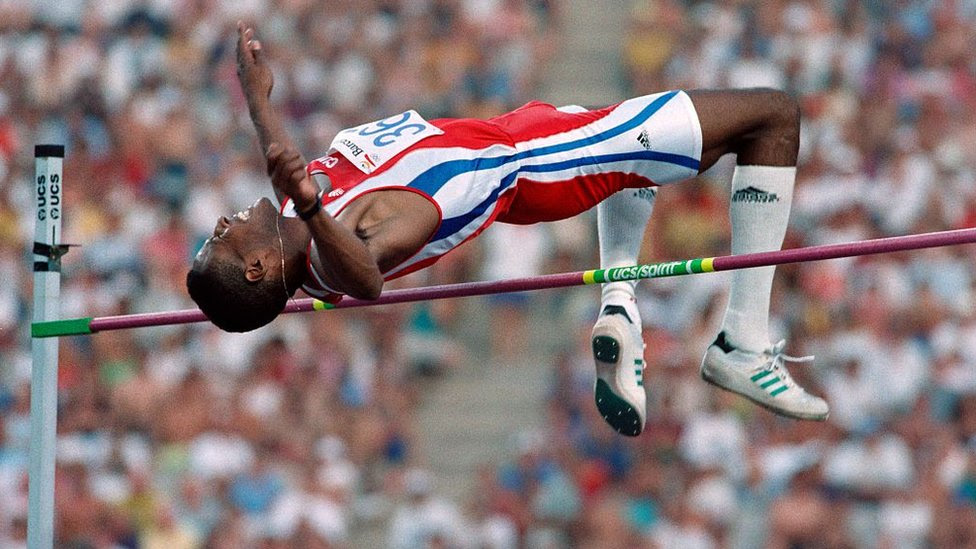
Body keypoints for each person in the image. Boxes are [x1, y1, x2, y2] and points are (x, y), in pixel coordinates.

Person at [187, 23, 828, 437]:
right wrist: (314, 206)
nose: (220, 224)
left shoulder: (298, 222)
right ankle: (742, 343)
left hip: (525, 133)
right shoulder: (344, 237)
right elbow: (367, 280)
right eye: (221, 239)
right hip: (549, 160)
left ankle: (620, 309)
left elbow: (286, 175)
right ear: (257, 269)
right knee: (771, 118)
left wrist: (259, 102)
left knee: (685, 154)